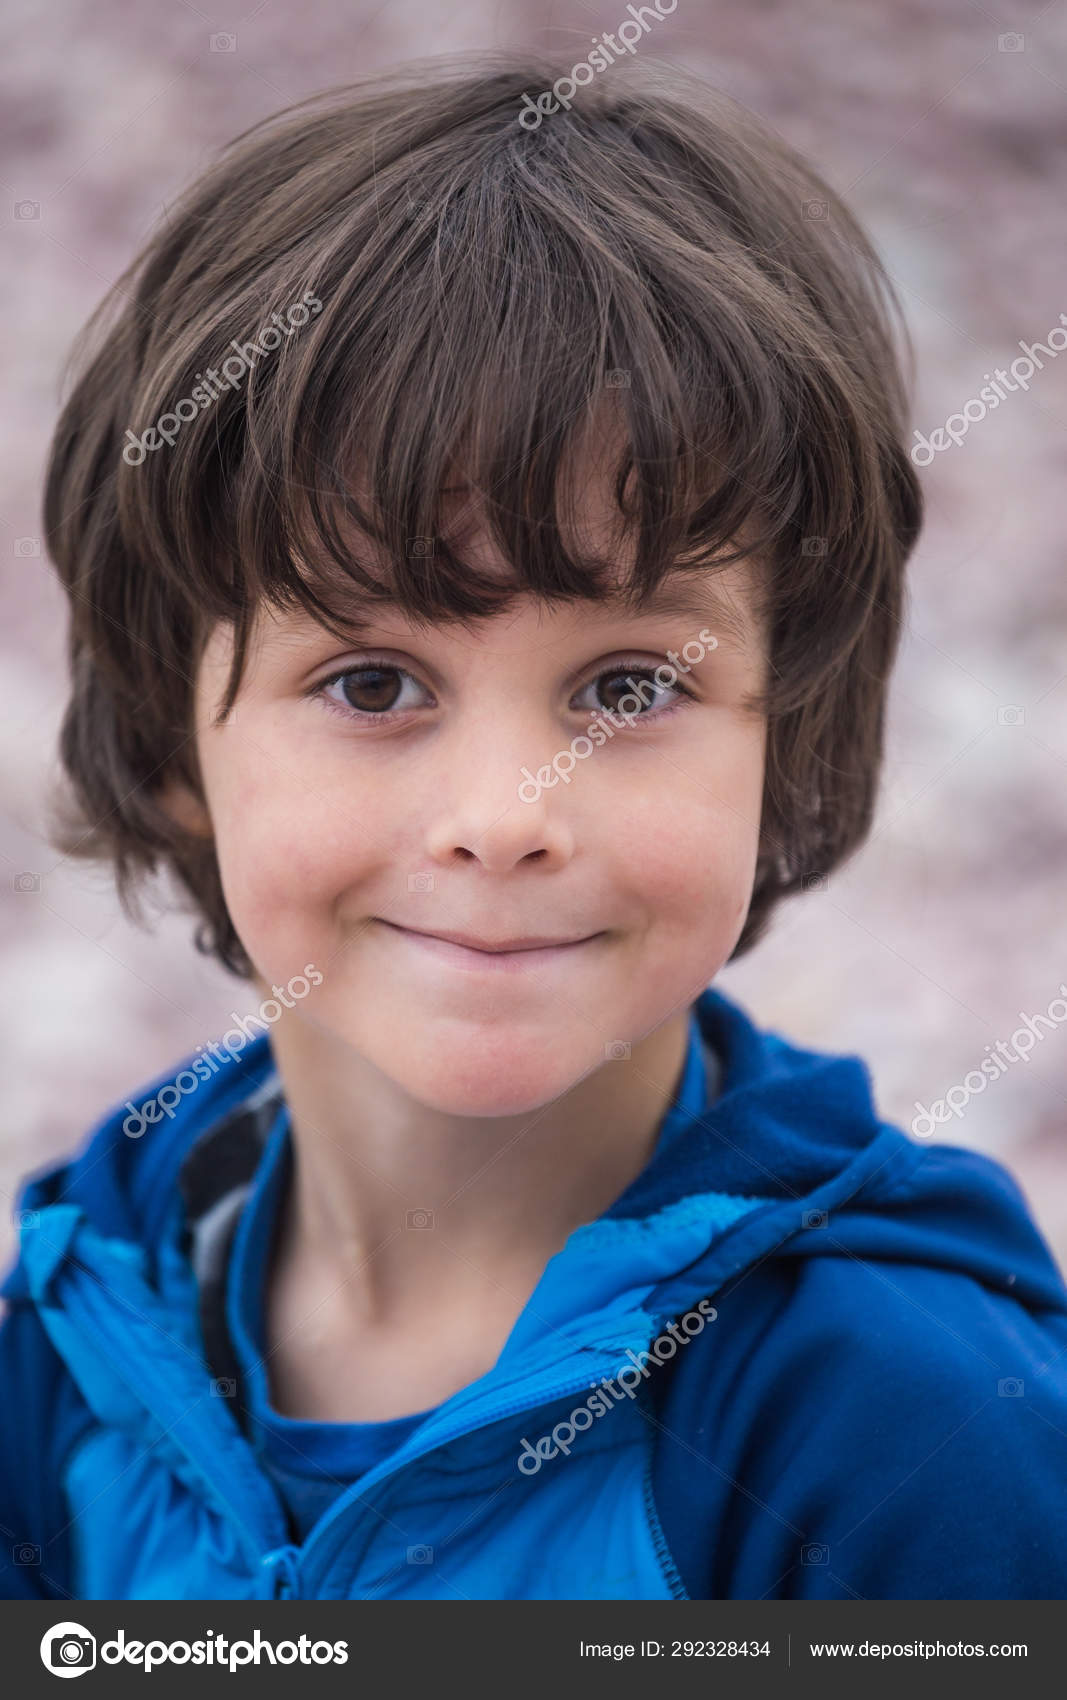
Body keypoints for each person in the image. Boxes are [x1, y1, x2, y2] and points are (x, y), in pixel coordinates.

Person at [4, 52, 1066, 1602]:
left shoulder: (904, 1429)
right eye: (372, 682)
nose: (507, 818)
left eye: (630, 686)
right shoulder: (74, 1356)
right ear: (175, 740)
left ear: (790, 736)